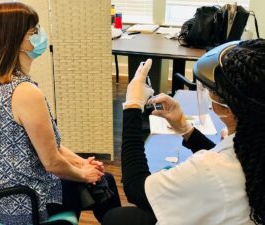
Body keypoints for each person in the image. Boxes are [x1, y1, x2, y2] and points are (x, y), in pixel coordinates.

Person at [0, 2, 120, 224]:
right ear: (15, 41)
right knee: (103, 181)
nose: (40, 35)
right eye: (34, 32)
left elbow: (50, 146)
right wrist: (84, 174)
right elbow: (52, 163)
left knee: (93, 179)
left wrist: (80, 163)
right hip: (21, 202)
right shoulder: (25, 93)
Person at [102, 39, 265, 225]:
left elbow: (136, 188)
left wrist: (132, 105)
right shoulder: (253, 150)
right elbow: (233, 160)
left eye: (210, 91)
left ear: (227, 108)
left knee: (114, 219)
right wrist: (186, 129)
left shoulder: (211, 170)